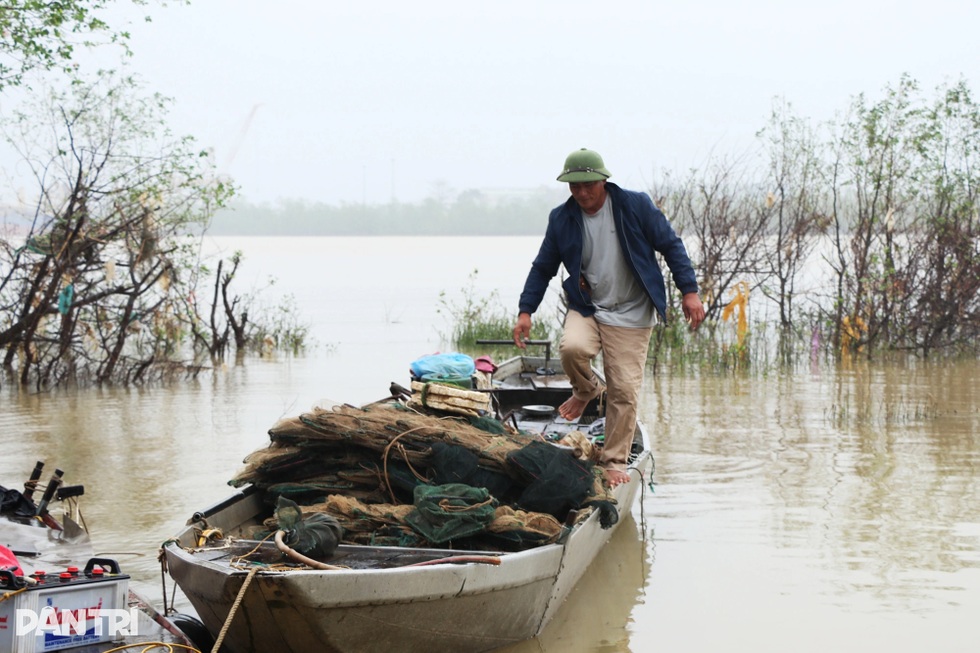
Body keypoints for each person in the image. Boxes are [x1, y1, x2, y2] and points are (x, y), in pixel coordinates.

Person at [512, 148, 705, 488]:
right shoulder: (562, 219)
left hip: (632, 312)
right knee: (572, 349)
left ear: (603, 180)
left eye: (588, 185)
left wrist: (689, 291)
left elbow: (672, 246)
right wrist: (525, 311)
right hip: (589, 306)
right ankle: (586, 389)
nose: (582, 193)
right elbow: (543, 268)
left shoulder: (635, 206)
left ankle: (615, 460)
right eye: (575, 187)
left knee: (624, 391)